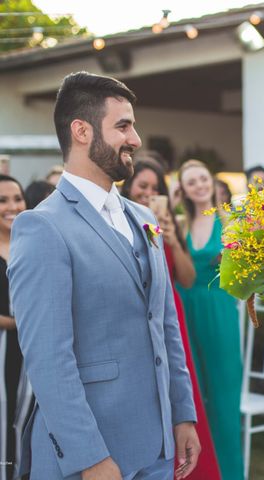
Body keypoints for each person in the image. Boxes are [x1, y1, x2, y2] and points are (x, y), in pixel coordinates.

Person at [8, 72, 200, 480]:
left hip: (158, 448)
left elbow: (165, 325)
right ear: (81, 131)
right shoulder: (42, 227)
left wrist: (183, 414)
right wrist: (87, 457)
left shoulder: (145, 219)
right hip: (89, 458)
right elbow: (48, 359)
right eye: (123, 126)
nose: (136, 139)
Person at [121, 157, 222, 480]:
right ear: (129, 188)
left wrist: (169, 236)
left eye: (155, 188)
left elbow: (188, 278)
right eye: (143, 186)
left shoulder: (165, 222)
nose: (149, 193)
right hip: (136, 319)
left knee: (183, 393)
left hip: (171, 313)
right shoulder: (118, 222)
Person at [177, 159, 244, 480]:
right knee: (192, 395)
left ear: (211, 181)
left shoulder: (230, 219)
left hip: (219, 309)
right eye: (192, 182)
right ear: (184, 190)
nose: (199, 186)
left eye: (203, 178)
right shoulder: (181, 223)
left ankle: (231, 473)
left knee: (224, 396)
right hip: (187, 310)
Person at [0, 175, 33, 480]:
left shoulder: (32, 242)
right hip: (2, 353)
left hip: (32, 353)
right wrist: (22, 321)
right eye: (3, 200)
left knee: (26, 423)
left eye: (17, 198)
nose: (12, 206)